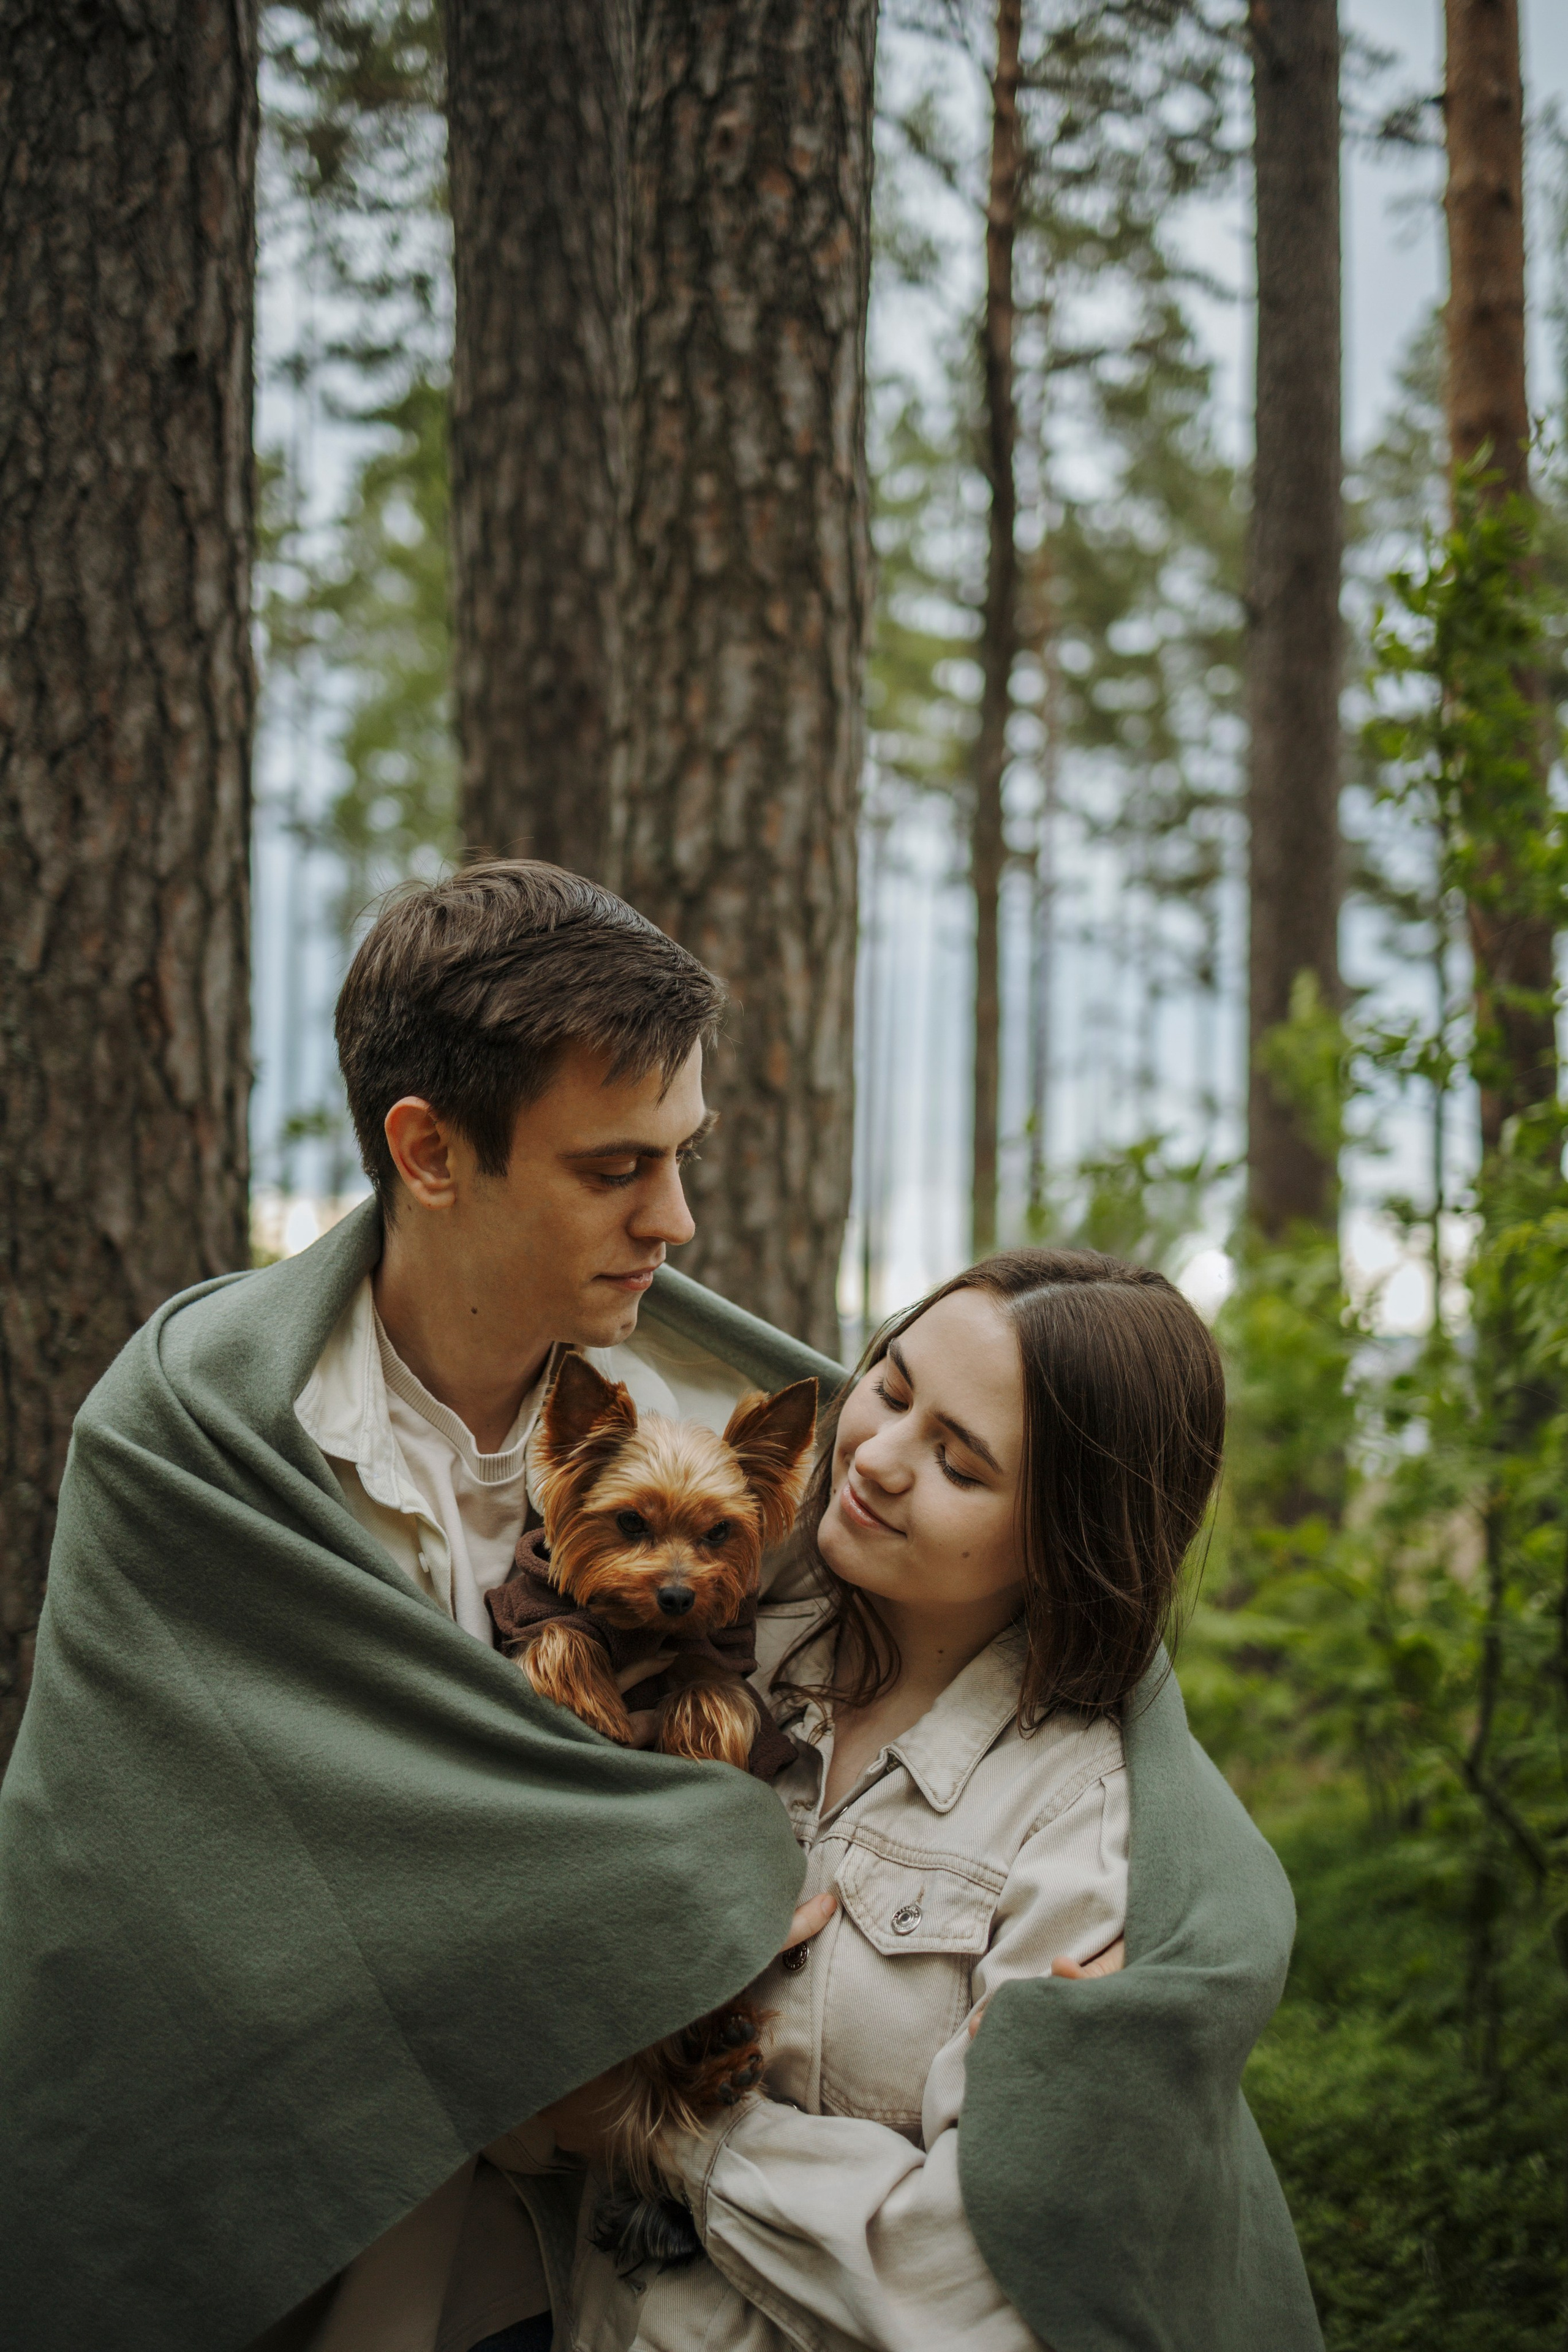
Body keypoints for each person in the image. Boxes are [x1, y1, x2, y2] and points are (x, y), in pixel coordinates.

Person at [0, 864, 821, 2352]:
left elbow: (1013, 1660)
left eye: (684, 1155)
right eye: (615, 1169)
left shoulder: (718, 1433)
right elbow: (144, 1900)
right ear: (430, 1151)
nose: (680, 1219)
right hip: (334, 2253)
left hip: (646, 2267)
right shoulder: (199, 1432)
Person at [551, 1252, 1324, 2352]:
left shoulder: (1084, 1833)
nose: (877, 1457)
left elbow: (975, 2284)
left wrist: (659, 2124)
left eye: (960, 1464)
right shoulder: (710, 1643)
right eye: (893, 1387)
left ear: (1067, 1536)